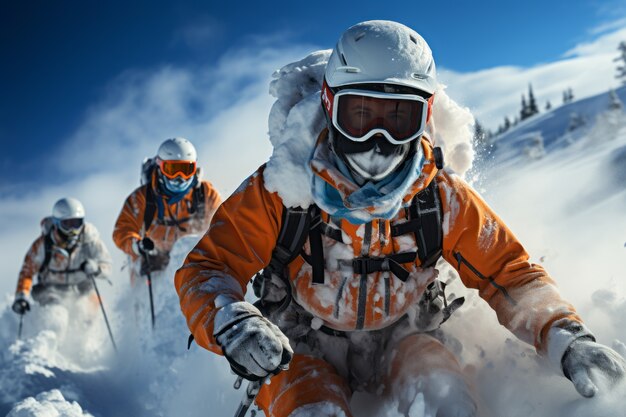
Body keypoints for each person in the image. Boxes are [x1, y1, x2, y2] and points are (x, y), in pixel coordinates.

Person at [174, 21, 625, 417]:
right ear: (331, 107)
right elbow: (209, 267)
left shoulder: (440, 197)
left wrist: (569, 339)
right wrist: (232, 323)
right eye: (361, 115)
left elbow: (509, 273)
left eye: (399, 118)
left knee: (446, 401)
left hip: (403, 339)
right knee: (314, 412)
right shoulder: (284, 189)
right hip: (302, 348)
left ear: (424, 118)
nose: (377, 141)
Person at [113, 137, 221, 282]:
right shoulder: (143, 198)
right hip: (152, 266)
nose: (180, 178)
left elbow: (222, 223)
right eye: (172, 170)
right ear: (160, 168)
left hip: (192, 264)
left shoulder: (205, 194)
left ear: (194, 169)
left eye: (186, 170)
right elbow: (122, 230)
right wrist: (137, 246)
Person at [13, 197, 112, 314]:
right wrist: (21, 296)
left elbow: (107, 266)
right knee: (57, 318)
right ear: (56, 222)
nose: (72, 230)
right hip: (51, 291)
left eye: (76, 223)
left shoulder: (90, 240)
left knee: (92, 311)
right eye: (67, 224)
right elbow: (27, 271)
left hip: (82, 290)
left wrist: (96, 269)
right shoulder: (43, 244)